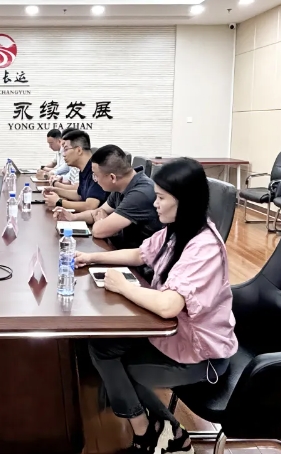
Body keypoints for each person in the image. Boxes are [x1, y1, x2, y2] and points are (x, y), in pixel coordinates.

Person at [74, 158, 238, 454]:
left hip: (201, 354)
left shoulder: (205, 246)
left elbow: (168, 306)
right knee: (100, 347)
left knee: (117, 366)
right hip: (171, 335)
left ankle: (151, 432)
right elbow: (140, 254)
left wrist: (123, 286)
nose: (155, 203)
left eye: (161, 198)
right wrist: (92, 258)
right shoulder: (177, 230)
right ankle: (162, 431)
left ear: (184, 201)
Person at [53, 145, 162, 250]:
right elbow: (98, 211)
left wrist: (101, 221)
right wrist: (72, 217)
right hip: (122, 250)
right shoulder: (122, 184)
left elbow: (98, 231)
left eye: (96, 175)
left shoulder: (140, 194)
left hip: (139, 259)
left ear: (112, 177)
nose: (95, 180)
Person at [43, 130, 108, 212]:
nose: (63, 154)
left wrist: (59, 202)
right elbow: (79, 195)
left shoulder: (96, 170)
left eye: (66, 149)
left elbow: (90, 206)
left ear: (79, 150)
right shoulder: (84, 169)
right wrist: (55, 190)